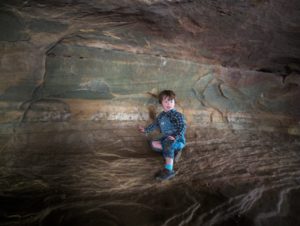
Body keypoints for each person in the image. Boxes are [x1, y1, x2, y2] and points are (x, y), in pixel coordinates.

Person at [138, 90, 186, 180]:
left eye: (171, 101)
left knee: (167, 144)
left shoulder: (177, 115)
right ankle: (174, 153)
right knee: (153, 144)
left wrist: (176, 136)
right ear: (161, 103)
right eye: (166, 101)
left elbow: (182, 127)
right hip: (165, 138)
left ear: (174, 103)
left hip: (177, 139)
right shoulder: (161, 115)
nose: (169, 104)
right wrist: (145, 130)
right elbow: (155, 124)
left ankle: (169, 170)